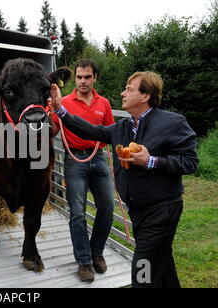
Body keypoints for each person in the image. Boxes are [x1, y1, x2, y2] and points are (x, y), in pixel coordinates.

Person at [50, 71, 199, 288]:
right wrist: (60, 110)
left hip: (162, 209)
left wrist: (152, 161)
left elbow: (190, 162)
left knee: (143, 269)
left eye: (129, 89)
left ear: (146, 95)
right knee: (162, 260)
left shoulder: (173, 123)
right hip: (138, 210)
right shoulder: (123, 127)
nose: (123, 93)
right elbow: (90, 130)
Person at [51, 60, 115, 282]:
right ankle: (84, 262)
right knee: (77, 212)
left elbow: (109, 132)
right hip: (75, 160)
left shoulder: (104, 103)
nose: (83, 81)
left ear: (95, 77)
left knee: (107, 207)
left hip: (98, 157)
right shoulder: (64, 102)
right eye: (79, 77)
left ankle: (96, 252)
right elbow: (52, 129)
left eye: (87, 77)